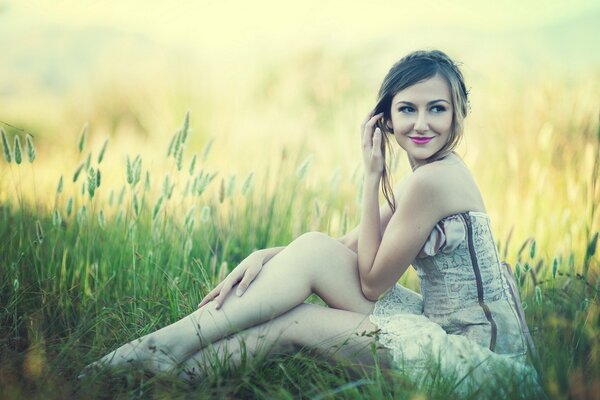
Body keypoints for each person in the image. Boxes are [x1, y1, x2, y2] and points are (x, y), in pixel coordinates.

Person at [81, 49, 538, 394]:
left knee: (294, 322)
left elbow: (372, 282)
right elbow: (336, 249)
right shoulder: (436, 176)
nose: (422, 123)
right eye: (407, 109)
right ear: (386, 119)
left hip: (479, 364)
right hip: (449, 331)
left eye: (437, 108)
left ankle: (163, 368)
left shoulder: (431, 183)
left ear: (459, 113)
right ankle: (163, 357)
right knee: (314, 248)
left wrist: (372, 175)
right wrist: (267, 255)